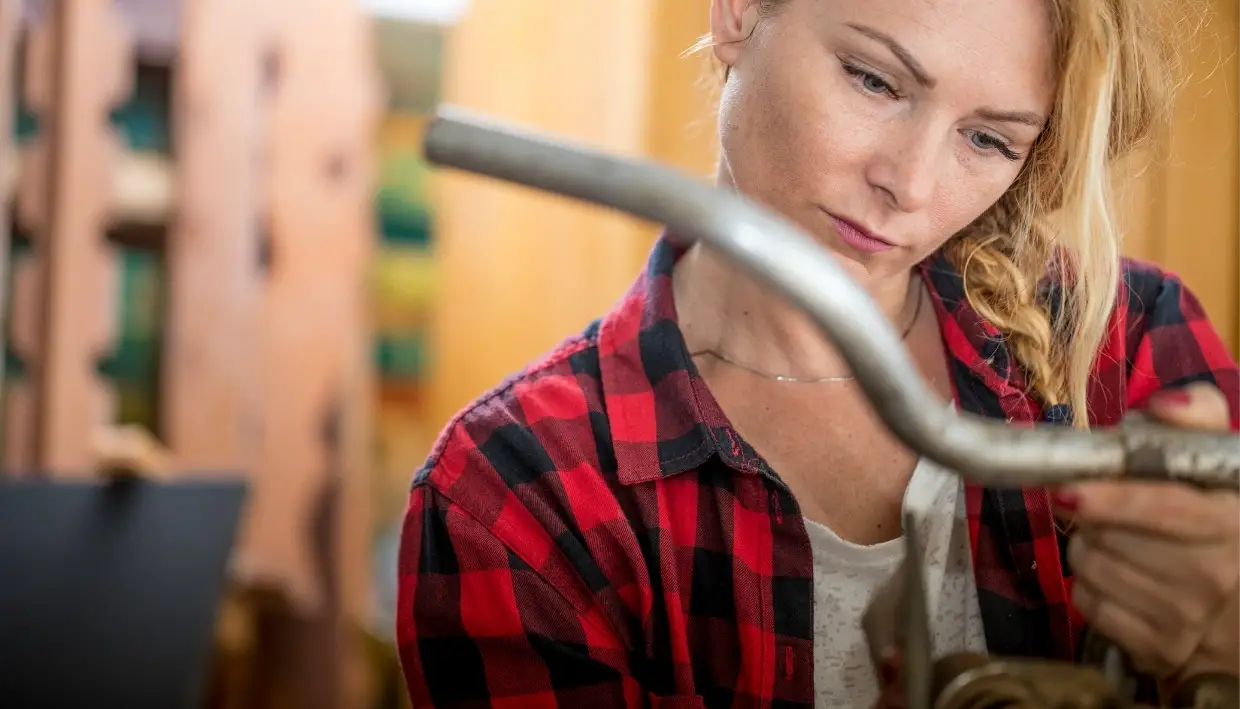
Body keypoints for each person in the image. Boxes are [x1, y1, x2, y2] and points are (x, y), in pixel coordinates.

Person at [397, 0, 1240, 706]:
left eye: (988, 140)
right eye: (874, 80)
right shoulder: (513, 491)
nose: (908, 184)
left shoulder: (1122, 343)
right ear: (737, 12)